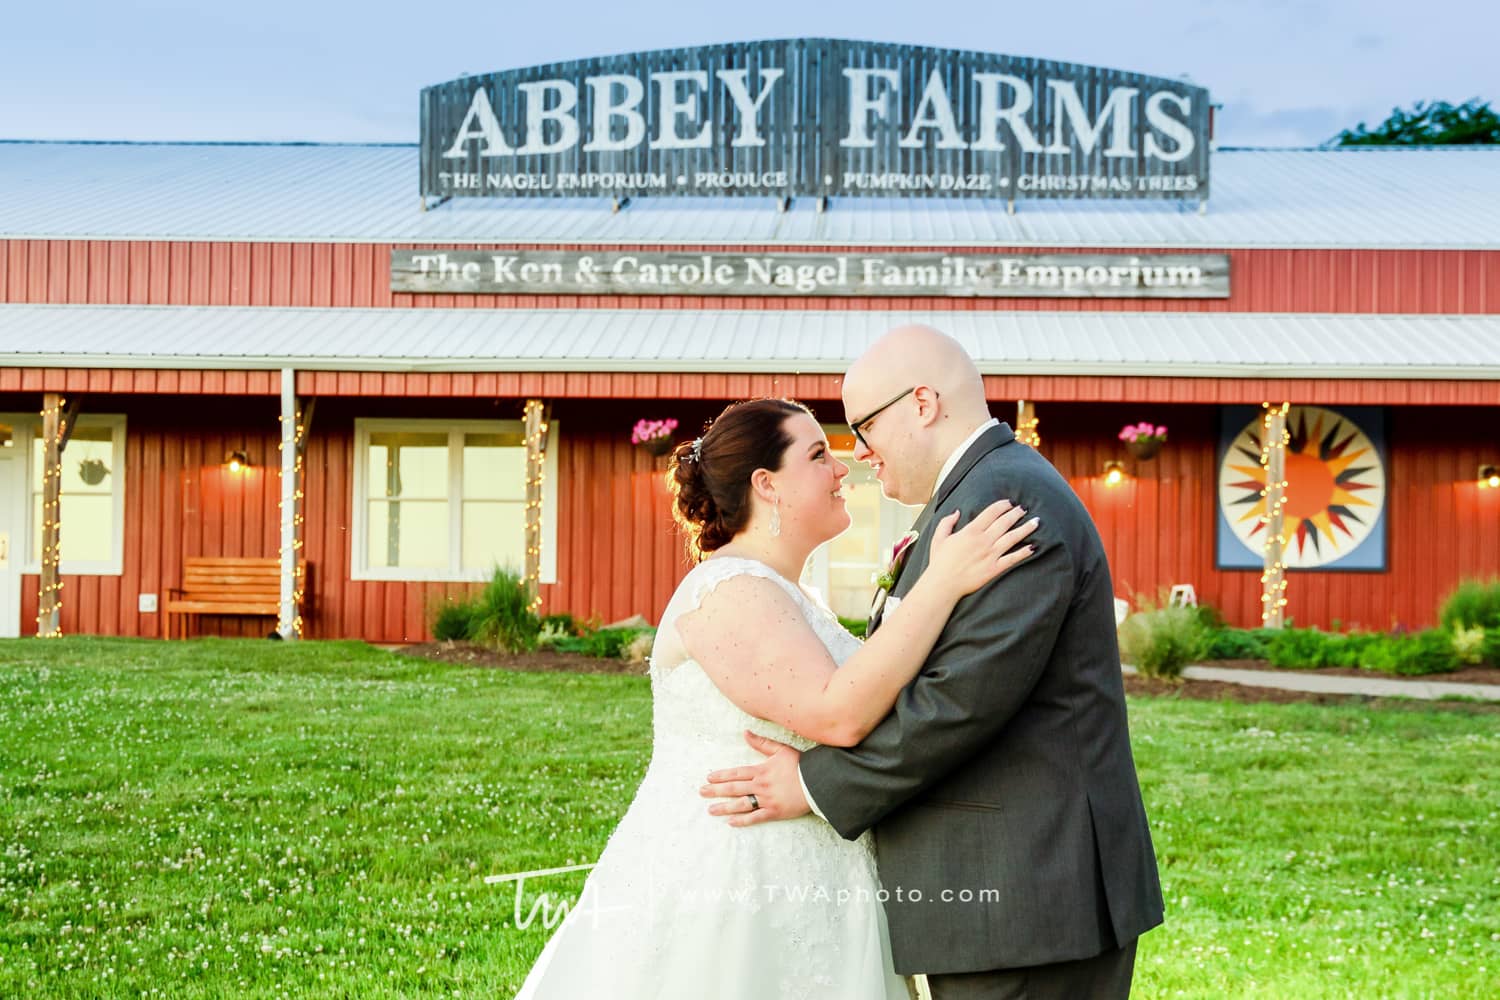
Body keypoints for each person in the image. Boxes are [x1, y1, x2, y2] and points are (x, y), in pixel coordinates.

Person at [513, 397, 1040, 1000]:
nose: (843, 467)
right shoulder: (728, 589)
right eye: (818, 455)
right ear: (767, 485)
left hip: (811, 872)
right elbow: (836, 713)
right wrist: (942, 584)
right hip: (735, 882)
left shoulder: (791, 595)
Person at [701, 325, 1164, 999]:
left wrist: (813, 785)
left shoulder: (1004, 499)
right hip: (1009, 900)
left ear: (921, 404)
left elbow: (960, 701)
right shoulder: (977, 493)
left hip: (1029, 901)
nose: (859, 455)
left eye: (863, 427)